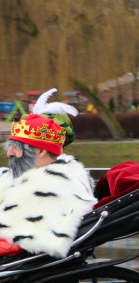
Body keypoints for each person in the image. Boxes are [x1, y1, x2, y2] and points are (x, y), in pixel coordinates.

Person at [0, 91, 94, 258]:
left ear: (41, 150)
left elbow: (19, 238)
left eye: (17, 147)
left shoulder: (50, 186)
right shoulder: (56, 176)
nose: (9, 153)